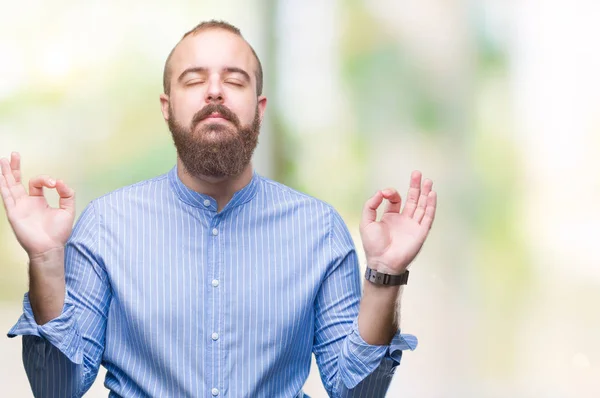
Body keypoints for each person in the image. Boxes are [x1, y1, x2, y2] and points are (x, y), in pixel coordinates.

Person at [0, 20, 437, 398]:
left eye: (234, 80)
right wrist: (44, 260)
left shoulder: (319, 230)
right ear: (167, 108)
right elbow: (56, 387)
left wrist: (385, 274)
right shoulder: (105, 226)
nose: (214, 91)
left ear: (259, 109)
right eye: (193, 80)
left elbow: (354, 390)